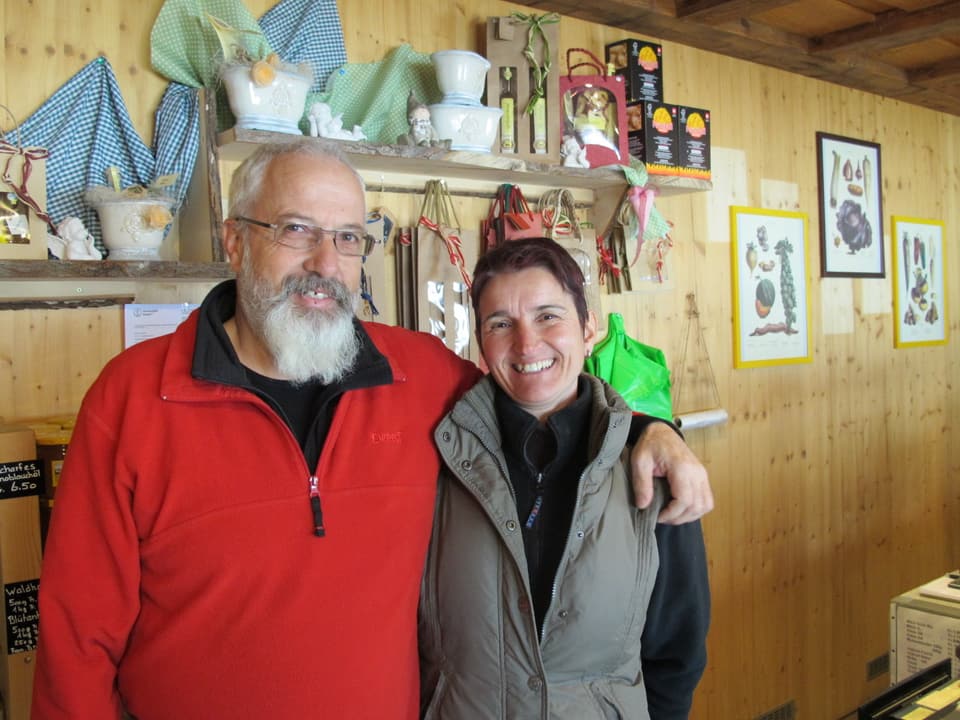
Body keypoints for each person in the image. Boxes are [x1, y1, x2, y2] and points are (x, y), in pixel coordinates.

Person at [32, 139, 712, 720]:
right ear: (235, 240)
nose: (326, 264)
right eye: (296, 230)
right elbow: (75, 639)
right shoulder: (132, 398)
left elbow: (536, 387)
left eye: (349, 238)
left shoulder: (418, 375)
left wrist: (652, 430)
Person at [419, 237, 710, 718]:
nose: (527, 343)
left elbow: (677, 652)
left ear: (588, 327)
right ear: (481, 341)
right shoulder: (436, 456)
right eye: (500, 324)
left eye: (548, 316)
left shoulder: (651, 468)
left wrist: (649, 429)